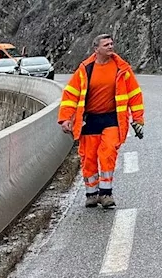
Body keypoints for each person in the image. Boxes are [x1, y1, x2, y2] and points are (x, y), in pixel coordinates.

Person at [58, 34, 145, 209]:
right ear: (96, 49)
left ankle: (106, 194)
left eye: (112, 44)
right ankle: (91, 194)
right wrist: (65, 118)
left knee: (108, 153)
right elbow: (70, 95)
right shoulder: (85, 69)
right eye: (106, 45)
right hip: (89, 120)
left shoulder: (122, 69)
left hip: (112, 119)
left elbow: (134, 95)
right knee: (89, 157)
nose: (110, 47)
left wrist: (138, 119)